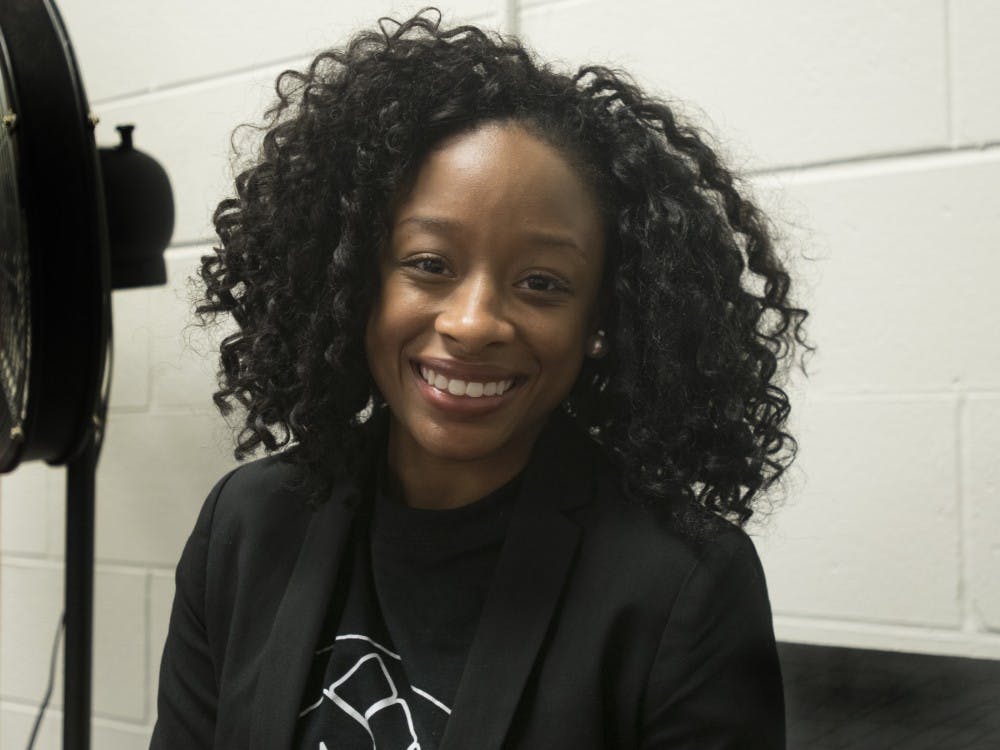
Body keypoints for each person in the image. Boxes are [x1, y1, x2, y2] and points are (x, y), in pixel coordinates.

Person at [151, 9, 810, 750]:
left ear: (604, 319)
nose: (473, 322)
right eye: (430, 264)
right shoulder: (248, 524)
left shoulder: (681, 584)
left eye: (542, 282)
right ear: (353, 278)